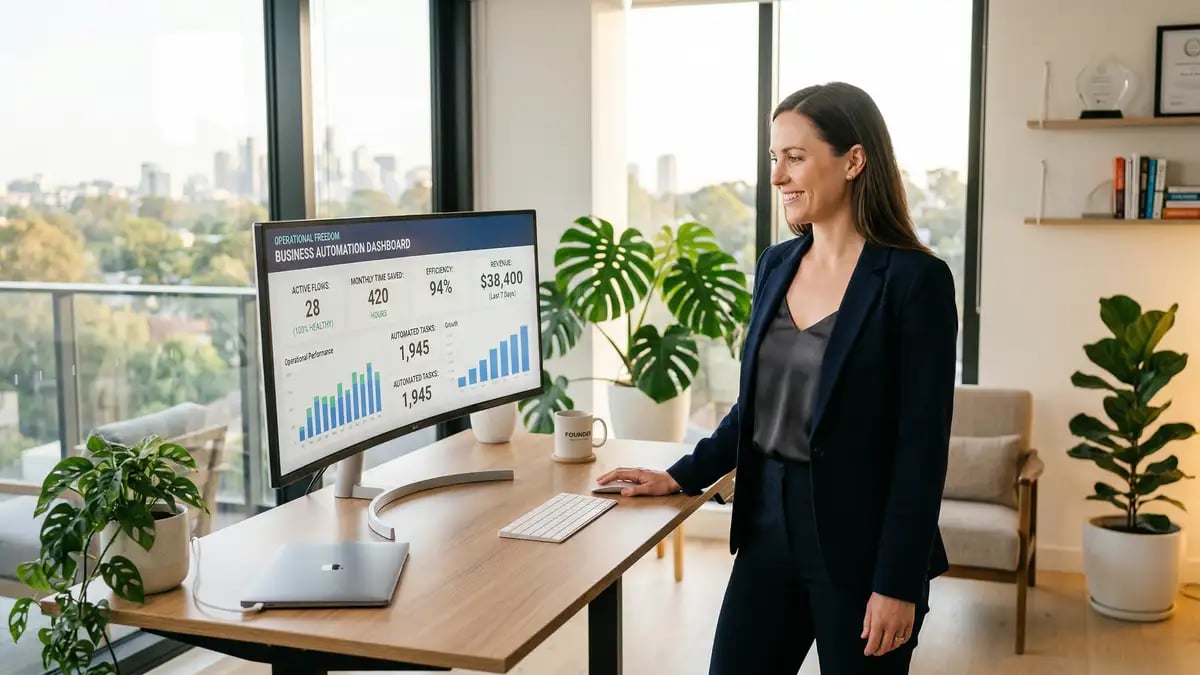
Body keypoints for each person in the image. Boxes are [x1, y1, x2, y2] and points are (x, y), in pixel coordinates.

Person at [598, 81, 958, 675]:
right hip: (767, 530)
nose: (778, 176)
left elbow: (921, 450)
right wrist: (679, 475)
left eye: (795, 157)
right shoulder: (776, 264)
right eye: (775, 158)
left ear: (854, 161)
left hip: (861, 547)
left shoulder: (915, 281)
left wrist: (898, 583)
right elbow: (755, 408)